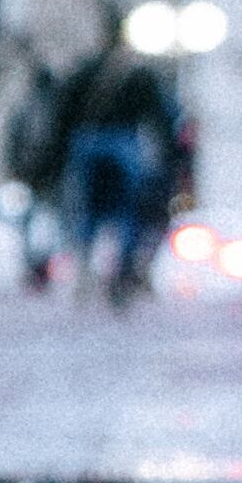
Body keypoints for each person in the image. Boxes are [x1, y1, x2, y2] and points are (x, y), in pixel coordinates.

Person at [57, 40, 180, 305]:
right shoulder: (140, 74)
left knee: (88, 210)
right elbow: (160, 115)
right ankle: (121, 274)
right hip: (123, 143)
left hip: (87, 141)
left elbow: (64, 108)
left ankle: (84, 272)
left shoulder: (88, 69)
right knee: (127, 211)